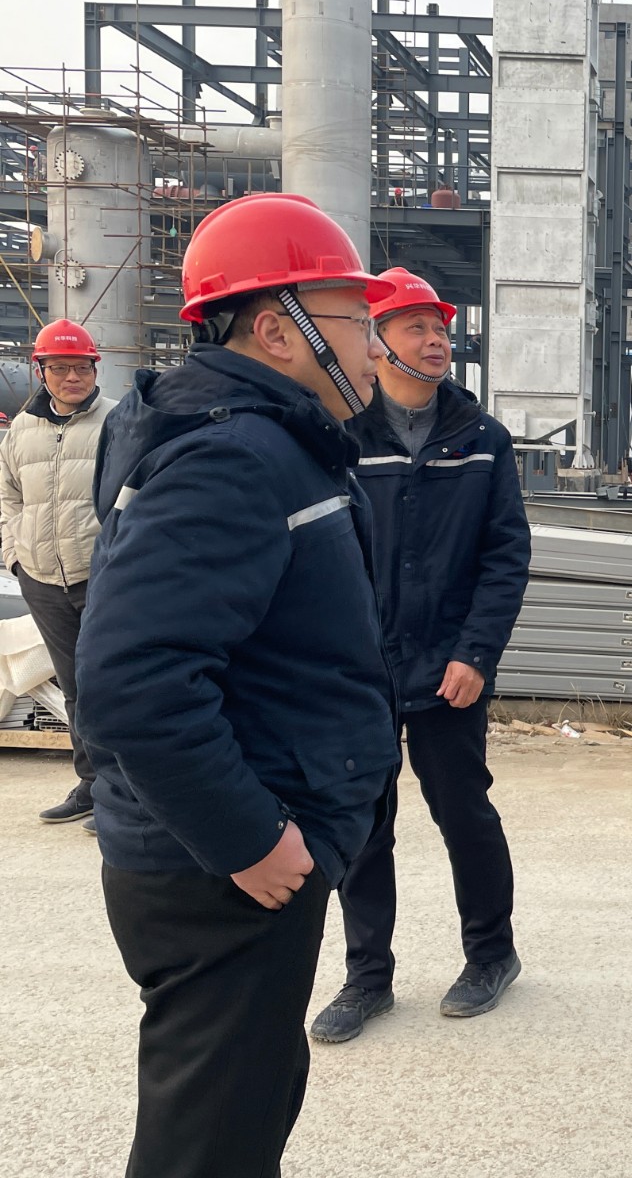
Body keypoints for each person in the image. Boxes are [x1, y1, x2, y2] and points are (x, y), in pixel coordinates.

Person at [73, 192, 401, 1178]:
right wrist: (250, 839)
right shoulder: (232, 457)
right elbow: (133, 679)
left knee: (237, 1117)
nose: (376, 347)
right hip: (219, 871)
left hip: (231, 852)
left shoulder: (265, 440)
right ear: (277, 330)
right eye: (358, 320)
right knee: (209, 1145)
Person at [310, 267, 530, 1044]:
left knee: (464, 813)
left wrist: (476, 654)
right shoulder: (341, 437)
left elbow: (505, 557)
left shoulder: (481, 440)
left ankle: (491, 955)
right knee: (365, 822)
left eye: (440, 328)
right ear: (375, 342)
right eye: (416, 327)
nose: (436, 340)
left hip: (449, 668)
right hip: (360, 670)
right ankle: (367, 977)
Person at [0, 318, 116, 829]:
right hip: (42, 579)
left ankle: (125, 793)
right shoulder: (22, 430)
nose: (73, 377)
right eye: (61, 368)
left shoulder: (119, 422)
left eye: (82, 367)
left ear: (95, 369)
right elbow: (8, 496)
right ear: (40, 371)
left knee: (114, 683)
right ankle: (92, 785)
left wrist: (123, 560)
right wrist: (15, 557)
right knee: (74, 688)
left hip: (103, 578)